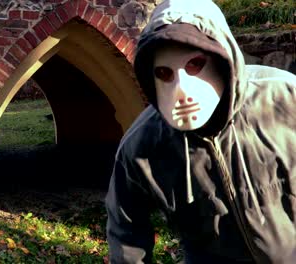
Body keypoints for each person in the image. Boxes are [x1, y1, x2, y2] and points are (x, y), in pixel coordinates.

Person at [105, 0, 296, 263]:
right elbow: (126, 235)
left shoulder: (286, 98)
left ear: (221, 60)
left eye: (195, 65)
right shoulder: (141, 146)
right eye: (164, 73)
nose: (182, 89)